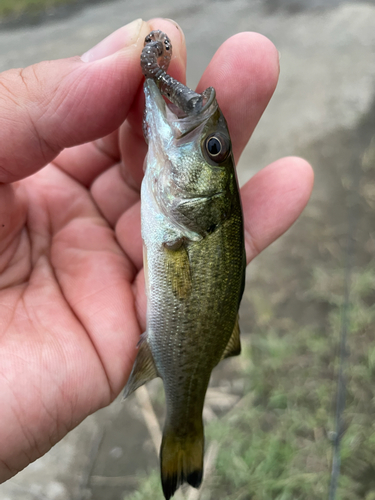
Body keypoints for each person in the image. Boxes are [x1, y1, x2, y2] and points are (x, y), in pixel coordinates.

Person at [0, 18, 313, 482]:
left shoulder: (189, 223)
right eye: (215, 146)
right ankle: (184, 442)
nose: (208, 143)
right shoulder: (183, 216)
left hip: (172, 333)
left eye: (211, 148)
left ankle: (183, 429)